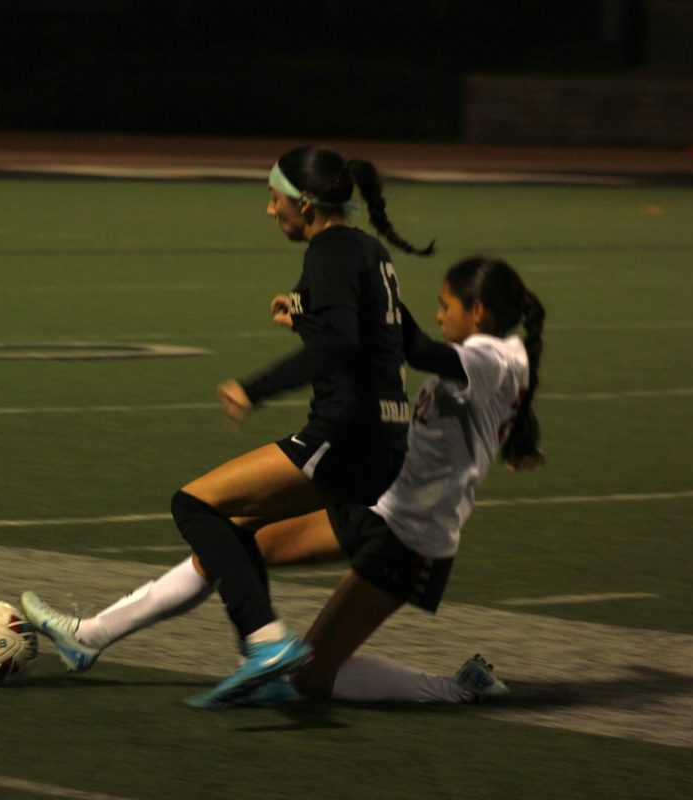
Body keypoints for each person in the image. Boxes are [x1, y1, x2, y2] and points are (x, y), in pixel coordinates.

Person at [22, 255, 545, 708]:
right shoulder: (503, 358)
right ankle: (89, 636)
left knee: (312, 679)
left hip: (412, 540)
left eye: (445, 304)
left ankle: (458, 689)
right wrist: (321, 317)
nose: (438, 313)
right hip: (376, 505)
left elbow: (411, 345)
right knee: (229, 543)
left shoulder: (489, 357)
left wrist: (358, 296)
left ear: (478, 312)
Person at [31, 144, 435, 707]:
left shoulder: (330, 251)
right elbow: (379, 338)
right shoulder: (366, 250)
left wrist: (254, 387)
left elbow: (342, 343)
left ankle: (265, 644)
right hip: (383, 443)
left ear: (308, 203)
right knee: (229, 540)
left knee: (195, 506)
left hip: (347, 438)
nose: (271, 211)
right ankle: (90, 637)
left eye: (275, 199)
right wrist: (304, 313)